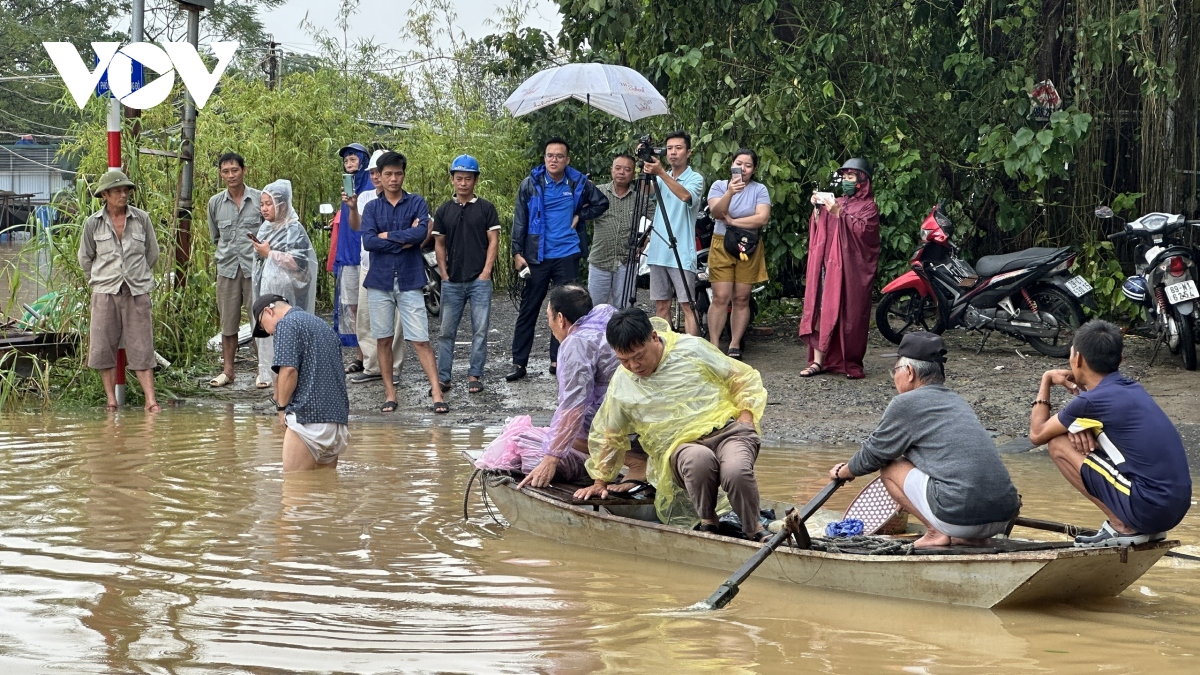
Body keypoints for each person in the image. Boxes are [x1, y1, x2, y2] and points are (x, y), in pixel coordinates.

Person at [576, 306, 769, 541]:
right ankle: (709, 521)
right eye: (624, 360)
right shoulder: (622, 382)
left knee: (736, 471)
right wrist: (600, 480)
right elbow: (610, 432)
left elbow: (740, 376)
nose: (634, 366)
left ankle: (754, 529)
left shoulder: (691, 348)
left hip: (728, 431)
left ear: (654, 338)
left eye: (639, 356)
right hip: (680, 447)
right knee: (699, 461)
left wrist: (746, 417)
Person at [829, 332, 1020, 548]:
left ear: (909, 372)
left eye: (896, 370)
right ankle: (972, 538)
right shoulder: (957, 402)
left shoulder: (906, 403)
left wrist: (843, 472)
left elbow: (874, 454)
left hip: (959, 516)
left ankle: (935, 532)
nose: (894, 376)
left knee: (891, 467)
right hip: (1003, 514)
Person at [1028, 320, 1191, 547]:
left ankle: (1122, 527)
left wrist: (1046, 380)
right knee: (1070, 436)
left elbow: (1037, 434)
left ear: (1078, 359)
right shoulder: (1131, 388)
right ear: (1120, 359)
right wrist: (1078, 427)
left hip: (1149, 506)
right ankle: (1135, 525)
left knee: (1058, 444)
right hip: (1173, 508)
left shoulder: (1089, 402)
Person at [517, 286, 647, 488]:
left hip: (629, 417)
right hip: (642, 408)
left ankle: (635, 462)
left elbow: (574, 406)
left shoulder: (576, 343)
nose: (548, 323)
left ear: (560, 319)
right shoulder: (605, 314)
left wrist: (552, 458)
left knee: (567, 431)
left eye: (548, 316)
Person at [507, 137, 609, 381]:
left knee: (566, 311)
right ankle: (519, 363)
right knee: (529, 309)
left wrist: (580, 215)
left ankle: (559, 359)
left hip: (567, 254)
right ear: (544, 158)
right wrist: (516, 253)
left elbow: (601, 203)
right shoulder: (530, 184)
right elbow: (519, 219)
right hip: (537, 256)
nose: (554, 160)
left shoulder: (577, 181)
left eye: (559, 156)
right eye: (550, 155)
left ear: (567, 160)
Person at [361, 151, 447, 414]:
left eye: (398, 173)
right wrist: (403, 240)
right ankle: (390, 393)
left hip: (410, 279)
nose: (393, 179)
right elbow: (369, 241)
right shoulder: (372, 207)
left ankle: (437, 393)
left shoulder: (417, 202)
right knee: (383, 340)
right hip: (379, 282)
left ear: (403, 175)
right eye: (388, 174)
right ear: (379, 176)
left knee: (420, 339)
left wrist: (388, 236)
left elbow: (421, 232)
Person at [77, 169, 161, 413]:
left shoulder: (141, 218)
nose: (123, 195)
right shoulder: (93, 223)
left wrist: (137, 275)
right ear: (105, 194)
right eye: (117, 191)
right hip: (105, 291)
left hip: (136, 291)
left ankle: (150, 401)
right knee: (104, 348)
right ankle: (111, 401)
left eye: (126, 190)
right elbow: (85, 258)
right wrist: (99, 281)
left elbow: (152, 254)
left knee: (142, 346)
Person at [799, 157, 880, 379]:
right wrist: (817, 210)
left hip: (850, 272)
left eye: (850, 177)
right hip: (828, 266)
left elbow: (865, 236)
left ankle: (849, 362)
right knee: (821, 309)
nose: (845, 181)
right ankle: (818, 361)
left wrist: (838, 214)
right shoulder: (838, 201)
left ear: (862, 180)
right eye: (844, 177)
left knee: (849, 316)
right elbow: (820, 231)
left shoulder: (869, 207)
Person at [252, 294, 349, 472]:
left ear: (268, 311)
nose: (268, 333)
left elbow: (288, 371)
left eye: (261, 325)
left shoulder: (286, 324)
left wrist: (281, 409)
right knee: (325, 491)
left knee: (293, 490)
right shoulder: (321, 325)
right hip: (337, 423)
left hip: (309, 420)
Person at [433, 155, 500, 393]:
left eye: (468, 179)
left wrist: (486, 272)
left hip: (479, 280)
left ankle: (475, 375)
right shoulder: (444, 210)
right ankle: (443, 378)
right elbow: (439, 243)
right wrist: (443, 273)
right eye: (459, 178)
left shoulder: (486, 208)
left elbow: (493, 241)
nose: (463, 183)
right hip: (452, 280)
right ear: (452, 179)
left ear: (475, 180)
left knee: (480, 330)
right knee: (445, 332)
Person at [344, 150, 405, 384]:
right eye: (372, 172)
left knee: (396, 321)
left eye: (379, 172)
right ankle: (372, 367)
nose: (376, 177)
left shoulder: (404, 198)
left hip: (396, 267)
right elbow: (359, 228)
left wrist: (392, 237)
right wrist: (351, 208)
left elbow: (422, 227)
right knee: (365, 319)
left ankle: (394, 369)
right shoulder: (364, 197)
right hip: (368, 265)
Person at [251, 179, 318, 389]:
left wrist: (269, 253)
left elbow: (299, 262)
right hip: (267, 289)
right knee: (269, 329)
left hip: (289, 293)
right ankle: (270, 373)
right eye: (262, 204)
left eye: (268, 203)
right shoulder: (264, 229)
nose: (264, 208)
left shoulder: (294, 230)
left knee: (288, 331)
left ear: (281, 204)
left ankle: (292, 374)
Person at [706, 148, 770, 359]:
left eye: (748, 165)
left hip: (747, 244)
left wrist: (733, 222)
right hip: (722, 243)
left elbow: (761, 219)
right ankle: (714, 345)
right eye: (739, 163)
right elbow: (716, 212)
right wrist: (730, 192)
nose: (743, 168)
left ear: (754, 169)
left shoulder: (759, 189)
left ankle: (734, 344)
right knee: (720, 297)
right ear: (731, 164)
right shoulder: (719, 186)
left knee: (741, 298)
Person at [206, 152, 261, 388]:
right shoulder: (215, 203)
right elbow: (215, 237)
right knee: (228, 322)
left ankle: (263, 370)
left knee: (260, 320)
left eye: (234, 170)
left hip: (255, 269)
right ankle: (228, 371)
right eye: (225, 171)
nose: (230, 175)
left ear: (244, 170)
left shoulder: (259, 199)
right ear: (220, 174)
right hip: (227, 269)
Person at [643, 131, 705, 337]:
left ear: (688, 152)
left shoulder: (695, 178)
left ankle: (691, 354)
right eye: (669, 149)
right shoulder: (662, 177)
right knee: (661, 305)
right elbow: (645, 190)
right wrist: (642, 161)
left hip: (682, 251)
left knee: (688, 305)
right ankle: (666, 351)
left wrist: (660, 173)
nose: (673, 153)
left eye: (678, 148)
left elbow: (686, 196)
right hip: (659, 250)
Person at [587, 154, 653, 307]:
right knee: (594, 309)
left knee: (624, 310)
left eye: (627, 169)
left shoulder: (640, 198)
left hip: (627, 262)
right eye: (618, 168)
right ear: (611, 170)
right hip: (600, 260)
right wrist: (584, 193)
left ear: (633, 174)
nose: (621, 172)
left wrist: (646, 239)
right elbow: (582, 216)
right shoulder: (598, 192)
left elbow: (658, 219)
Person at [334, 143, 372, 356]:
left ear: (363, 161)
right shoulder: (348, 188)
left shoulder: (372, 186)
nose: (349, 164)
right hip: (348, 254)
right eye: (346, 160)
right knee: (353, 307)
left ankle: (373, 356)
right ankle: (360, 355)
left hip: (367, 255)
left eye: (353, 159)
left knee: (370, 307)